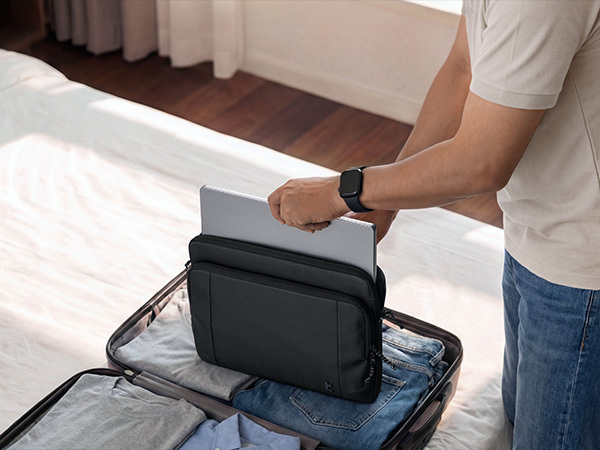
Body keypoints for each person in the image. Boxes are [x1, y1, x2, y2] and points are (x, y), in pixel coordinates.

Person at [267, 1, 600, 449]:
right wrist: (382, 205)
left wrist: (341, 191)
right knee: (517, 414)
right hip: (534, 232)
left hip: (580, 264)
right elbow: (464, 68)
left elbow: (480, 163)